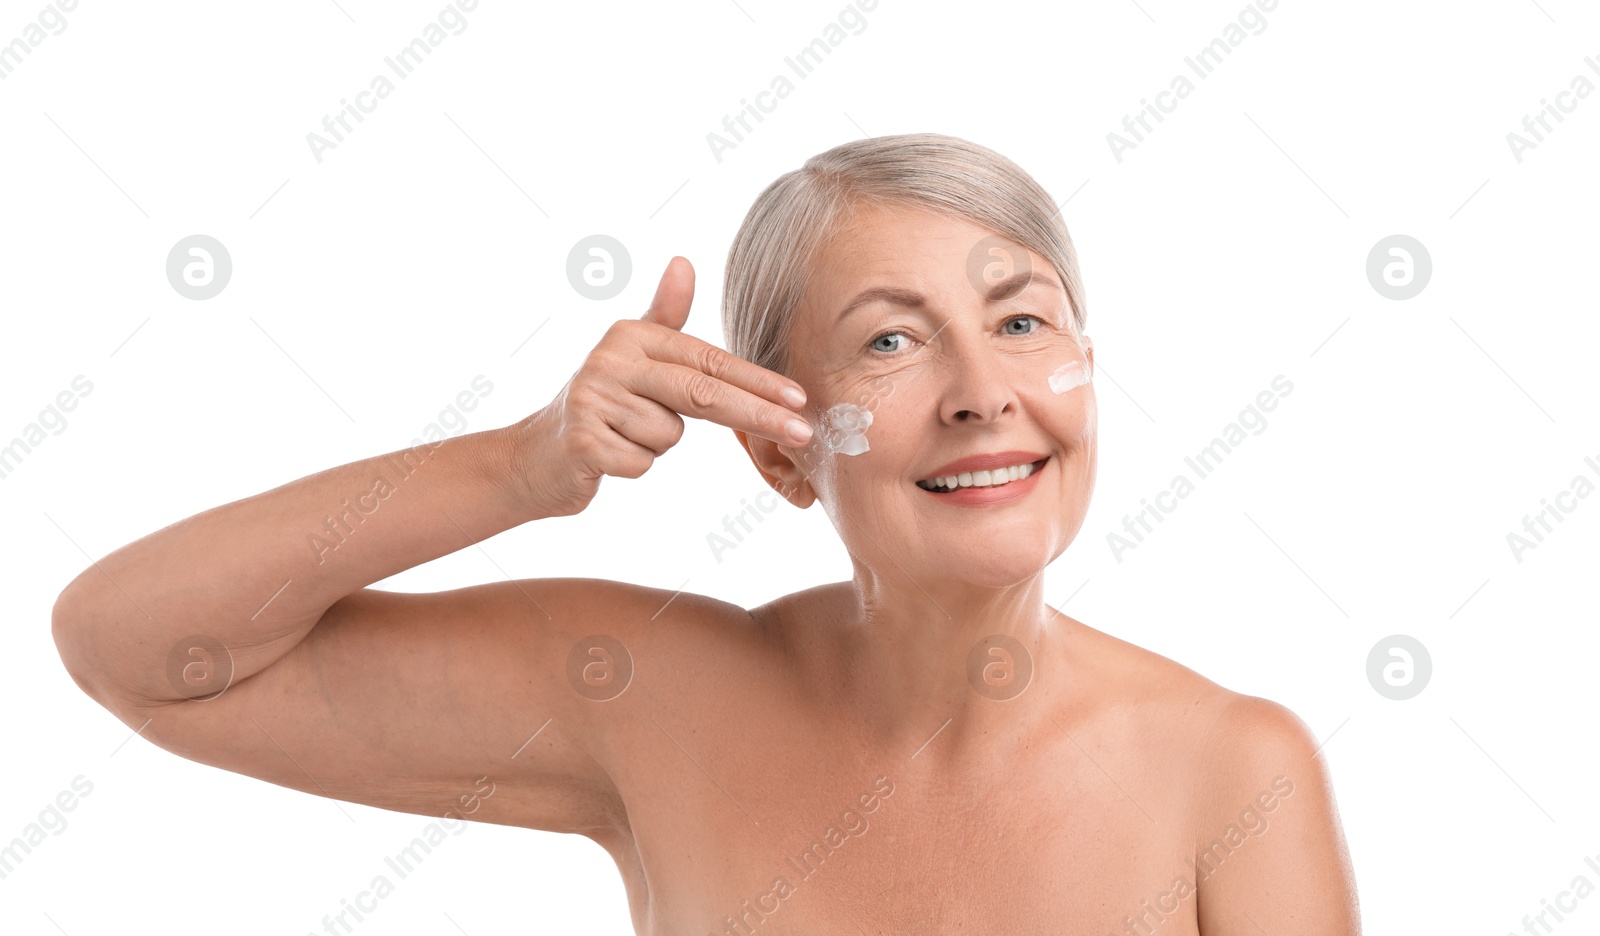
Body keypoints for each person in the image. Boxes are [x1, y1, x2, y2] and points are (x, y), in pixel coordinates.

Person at [52, 133, 1360, 934]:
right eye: (891, 342)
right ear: (780, 445)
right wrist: (521, 466)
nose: (981, 391)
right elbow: (138, 648)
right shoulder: (646, 694)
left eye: (1021, 321)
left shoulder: (1234, 771)